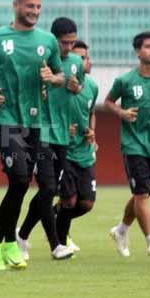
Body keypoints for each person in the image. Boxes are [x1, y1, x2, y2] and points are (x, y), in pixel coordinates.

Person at [0, 0, 70, 271]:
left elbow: (60, 75)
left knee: (21, 183)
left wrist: (53, 79)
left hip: (34, 120)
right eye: (30, 6)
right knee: (20, 178)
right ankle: (10, 243)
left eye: (39, 7)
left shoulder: (48, 40)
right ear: (15, 5)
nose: (35, 12)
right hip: (4, 119)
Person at [17, 16, 84, 260]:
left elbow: (76, 89)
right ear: (53, 41)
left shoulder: (76, 62)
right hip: (40, 132)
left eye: (72, 43)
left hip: (62, 135)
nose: (68, 48)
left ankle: (22, 235)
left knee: (50, 190)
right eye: (64, 43)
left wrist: (74, 87)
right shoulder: (39, 60)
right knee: (48, 188)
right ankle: (56, 244)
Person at [105, 31, 150, 257]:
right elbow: (108, 102)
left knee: (141, 193)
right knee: (142, 194)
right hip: (133, 143)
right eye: (148, 46)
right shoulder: (125, 81)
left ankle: (121, 229)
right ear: (138, 52)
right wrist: (122, 112)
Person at [56, 40, 97, 249]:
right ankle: (60, 244)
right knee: (69, 201)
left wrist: (92, 132)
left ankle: (53, 217)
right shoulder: (59, 83)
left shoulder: (92, 87)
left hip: (84, 151)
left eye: (84, 58)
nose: (81, 62)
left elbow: (91, 113)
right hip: (64, 150)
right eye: (77, 57)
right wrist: (62, 127)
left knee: (86, 203)